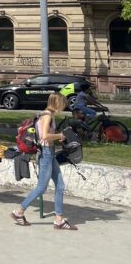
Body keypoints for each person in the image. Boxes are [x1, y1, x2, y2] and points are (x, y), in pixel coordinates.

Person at [11, 93, 77, 230]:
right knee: (41, 188)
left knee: (60, 185)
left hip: (49, 153)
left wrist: (56, 136)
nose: (64, 106)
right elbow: (45, 136)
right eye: (63, 103)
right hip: (46, 153)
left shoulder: (44, 115)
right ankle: (19, 212)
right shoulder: (47, 116)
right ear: (57, 103)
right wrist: (59, 135)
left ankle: (59, 220)